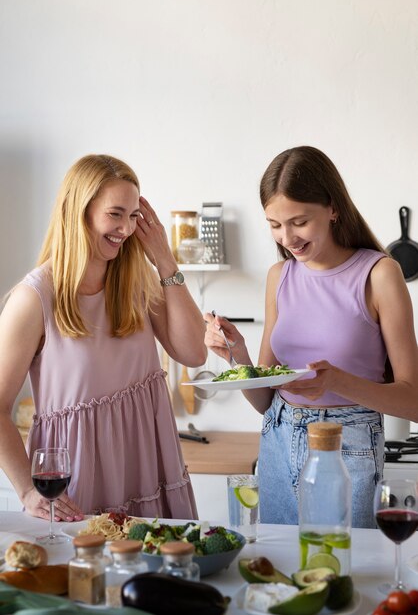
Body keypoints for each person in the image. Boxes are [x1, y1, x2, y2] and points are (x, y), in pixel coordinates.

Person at [204, 145, 418, 528]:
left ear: (333, 208)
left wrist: (337, 382)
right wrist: (238, 356)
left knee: (344, 573)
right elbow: (265, 400)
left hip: (347, 445)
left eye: (299, 222)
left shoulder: (379, 274)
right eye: (274, 224)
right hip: (277, 439)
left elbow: (413, 401)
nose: (287, 237)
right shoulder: (279, 277)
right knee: (279, 573)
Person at [0, 153, 206, 522]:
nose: (126, 229)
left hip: (148, 469)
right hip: (76, 487)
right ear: (79, 212)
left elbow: (194, 353)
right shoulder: (33, 299)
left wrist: (164, 259)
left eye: (133, 216)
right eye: (115, 214)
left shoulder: (137, 280)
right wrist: (27, 490)